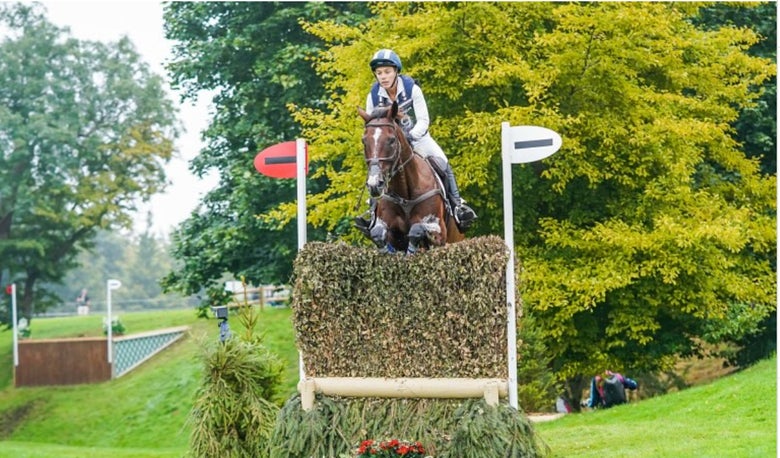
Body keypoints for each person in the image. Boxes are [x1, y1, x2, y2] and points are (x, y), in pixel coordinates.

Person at [355, 49, 477, 234]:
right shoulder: (373, 95)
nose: (383, 77)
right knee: (376, 168)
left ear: (396, 71)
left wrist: (410, 137)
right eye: (379, 73)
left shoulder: (412, 88)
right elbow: (373, 124)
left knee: (442, 162)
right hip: (389, 145)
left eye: (387, 72)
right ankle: (372, 214)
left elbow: (424, 120)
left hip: (417, 138)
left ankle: (458, 206)